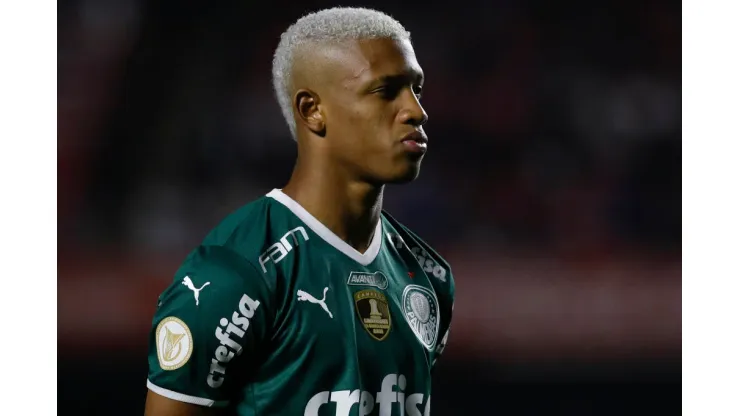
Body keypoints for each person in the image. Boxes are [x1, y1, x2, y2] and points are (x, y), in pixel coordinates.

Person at [144, 7, 455, 416]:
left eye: (416, 88)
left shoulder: (428, 276)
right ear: (312, 110)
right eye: (386, 91)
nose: (416, 111)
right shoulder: (235, 273)